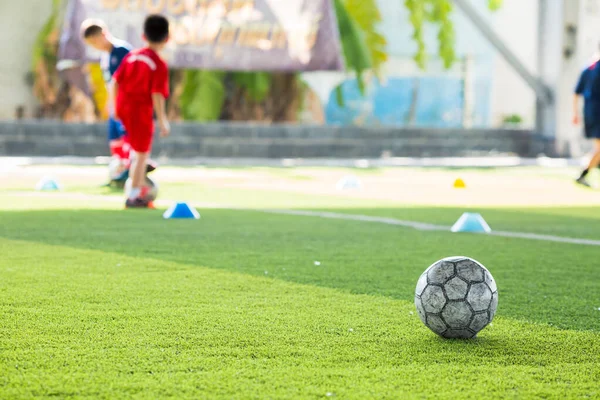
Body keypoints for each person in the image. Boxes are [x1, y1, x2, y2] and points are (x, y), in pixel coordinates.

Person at [113, 14, 170, 208]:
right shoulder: (158, 64)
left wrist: (113, 106)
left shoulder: (132, 55)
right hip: (139, 110)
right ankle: (134, 195)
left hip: (123, 107)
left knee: (137, 151)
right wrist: (162, 120)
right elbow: (157, 94)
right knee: (142, 154)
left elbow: (115, 81)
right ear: (167, 38)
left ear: (143, 36)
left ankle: (134, 181)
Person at [80, 20, 132, 169]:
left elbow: (127, 81)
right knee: (115, 139)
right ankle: (119, 172)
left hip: (125, 103)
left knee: (127, 137)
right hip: (114, 104)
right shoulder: (104, 56)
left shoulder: (122, 50)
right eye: (91, 43)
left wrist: (120, 104)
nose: (95, 45)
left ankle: (130, 171)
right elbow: (109, 83)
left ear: (104, 34)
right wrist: (110, 104)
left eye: (95, 41)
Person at [573, 53, 600, 187]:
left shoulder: (588, 66)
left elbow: (576, 92)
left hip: (590, 113)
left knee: (598, 148)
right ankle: (583, 173)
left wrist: (576, 114)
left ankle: (584, 172)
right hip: (597, 113)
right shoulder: (594, 67)